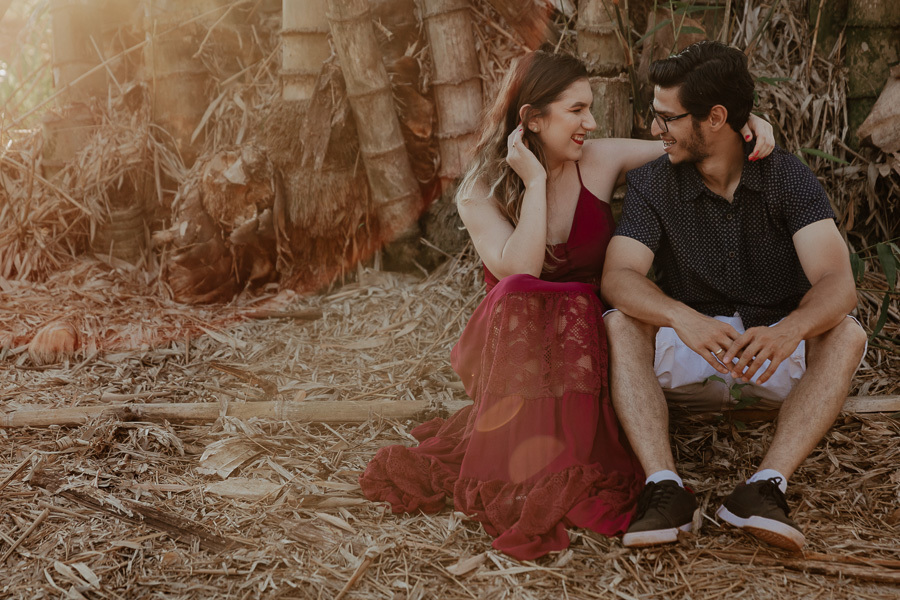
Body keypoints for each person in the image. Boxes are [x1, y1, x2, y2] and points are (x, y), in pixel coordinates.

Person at [359, 49, 774, 560]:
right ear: (532, 117)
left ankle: (569, 459)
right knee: (523, 294)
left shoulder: (601, 160)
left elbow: (683, 140)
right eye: (576, 110)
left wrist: (743, 119)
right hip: (518, 344)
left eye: (590, 108)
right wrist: (534, 182)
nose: (591, 122)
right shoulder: (479, 190)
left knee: (581, 303)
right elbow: (522, 273)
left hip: (582, 341)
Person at [601, 41, 868, 553]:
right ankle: (663, 488)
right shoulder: (654, 182)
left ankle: (764, 488)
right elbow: (619, 275)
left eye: (667, 118)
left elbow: (838, 281)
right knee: (620, 320)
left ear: (716, 117)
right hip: (688, 354)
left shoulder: (786, 175)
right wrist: (681, 317)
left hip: (772, 357)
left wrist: (789, 329)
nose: (655, 130)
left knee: (846, 331)